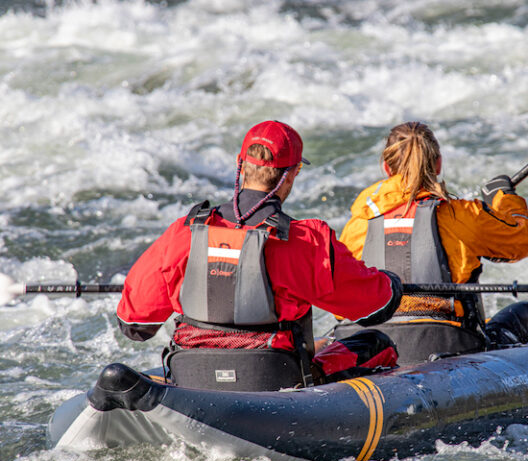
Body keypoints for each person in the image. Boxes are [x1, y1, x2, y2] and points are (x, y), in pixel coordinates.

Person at [116, 120, 402, 391]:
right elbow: (375, 307)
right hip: (273, 380)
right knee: (376, 344)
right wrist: (391, 282)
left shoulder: (184, 232)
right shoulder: (306, 240)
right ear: (292, 173)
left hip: (192, 374)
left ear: (241, 166)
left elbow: (134, 324)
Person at [335, 121, 528, 365]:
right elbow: (523, 240)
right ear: (438, 164)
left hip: (373, 351)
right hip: (449, 348)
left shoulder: (357, 224)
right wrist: (505, 199)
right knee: (526, 314)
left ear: (387, 168)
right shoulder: (461, 215)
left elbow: (338, 307)